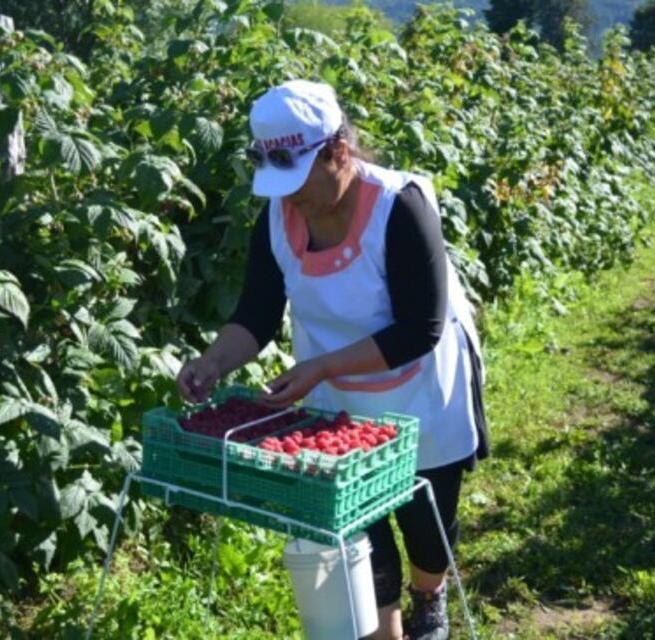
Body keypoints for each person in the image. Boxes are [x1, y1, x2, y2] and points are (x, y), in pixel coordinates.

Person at [175, 80, 489, 640]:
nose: (289, 197)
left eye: (298, 180)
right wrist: (214, 361)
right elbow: (257, 313)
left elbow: (422, 327)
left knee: (427, 519)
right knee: (358, 521)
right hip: (340, 397)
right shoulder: (276, 219)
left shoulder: (400, 206)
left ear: (338, 151)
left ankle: (430, 595)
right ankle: (381, 628)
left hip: (421, 384)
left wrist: (320, 368)